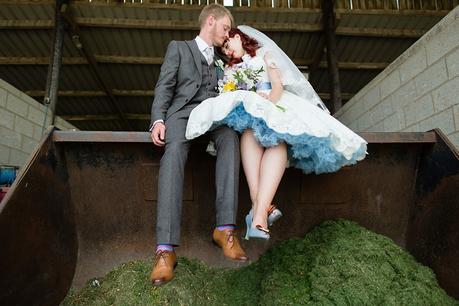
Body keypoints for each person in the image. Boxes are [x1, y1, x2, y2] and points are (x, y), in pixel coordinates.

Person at [186, 26, 368, 241]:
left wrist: (269, 103)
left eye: (227, 45)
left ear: (238, 37)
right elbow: (229, 90)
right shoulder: (229, 69)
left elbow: (277, 85)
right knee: (250, 133)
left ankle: (258, 212)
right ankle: (260, 213)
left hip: (272, 100)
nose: (226, 51)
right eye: (223, 49)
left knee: (277, 142)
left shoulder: (266, 55)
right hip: (248, 111)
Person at [149, 5, 248, 287]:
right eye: (226, 28)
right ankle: (165, 251)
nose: (228, 34)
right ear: (211, 21)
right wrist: (158, 120)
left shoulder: (222, 59)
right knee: (174, 151)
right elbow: (164, 86)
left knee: (231, 136)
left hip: (214, 116)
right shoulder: (179, 48)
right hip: (182, 114)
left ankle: (225, 229)